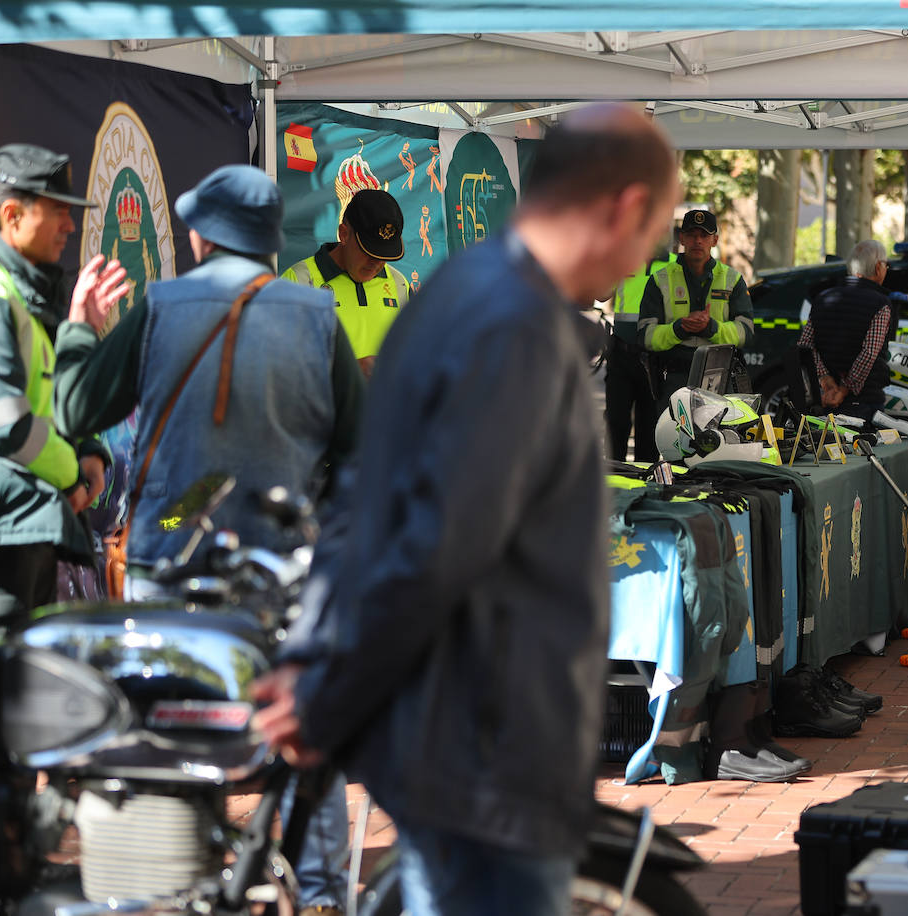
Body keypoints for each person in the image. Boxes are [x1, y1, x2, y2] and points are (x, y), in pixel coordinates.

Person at [251, 104, 679, 916]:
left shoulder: (459, 290)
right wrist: (325, 698)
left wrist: (318, 666)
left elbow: (366, 495)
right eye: (650, 233)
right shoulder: (517, 327)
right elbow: (437, 544)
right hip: (490, 743)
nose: (639, 260)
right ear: (624, 208)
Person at [53, 164, 364, 916]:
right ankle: (318, 896)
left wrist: (76, 328)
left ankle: (170, 885)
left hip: (170, 559)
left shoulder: (159, 306)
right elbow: (359, 455)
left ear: (201, 235)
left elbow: (72, 409)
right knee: (303, 737)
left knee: (168, 735)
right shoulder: (320, 317)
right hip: (282, 567)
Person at [0, 143, 127, 641]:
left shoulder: (25, 291)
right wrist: (73, 478)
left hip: (19, 524)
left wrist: (90, 450)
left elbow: (53, 400)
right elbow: (6, 425)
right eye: (59, 211)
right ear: (13, 215)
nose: (70, 226)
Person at [282, 188, 410, 378]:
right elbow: (275, 367)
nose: (376, 263)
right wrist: (346, 374)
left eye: (384, 255)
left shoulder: (399, 284)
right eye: (369, 252)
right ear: (344, 234)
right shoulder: (298, 282)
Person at [638, 208, 755, 401]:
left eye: (704, 235)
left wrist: (711, 328)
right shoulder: (660, 279)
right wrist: (678, 329)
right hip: (673, 376)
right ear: (682, 238)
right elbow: (645, 336)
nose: (697, 241)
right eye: (691, 235)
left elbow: (746, 333)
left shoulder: (732, 279)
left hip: (720, 377)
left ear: (715, 240)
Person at [796, 238, 896, 422]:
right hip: (864, 403)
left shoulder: (822, 298)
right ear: (878, 267)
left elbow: (806, 345)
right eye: (886, 266)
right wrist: (843, 389)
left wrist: (825, 380)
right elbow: (869, 353)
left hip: (824, 399)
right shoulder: (881, 304)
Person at [604, 239, 674, 461]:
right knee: (615, 422)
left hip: (656, 358)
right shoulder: (625, 258)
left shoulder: (673, 265)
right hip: (621, 353)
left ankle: (644, 487)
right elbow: (600, 293)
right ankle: (612, 479)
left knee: (650, 427)